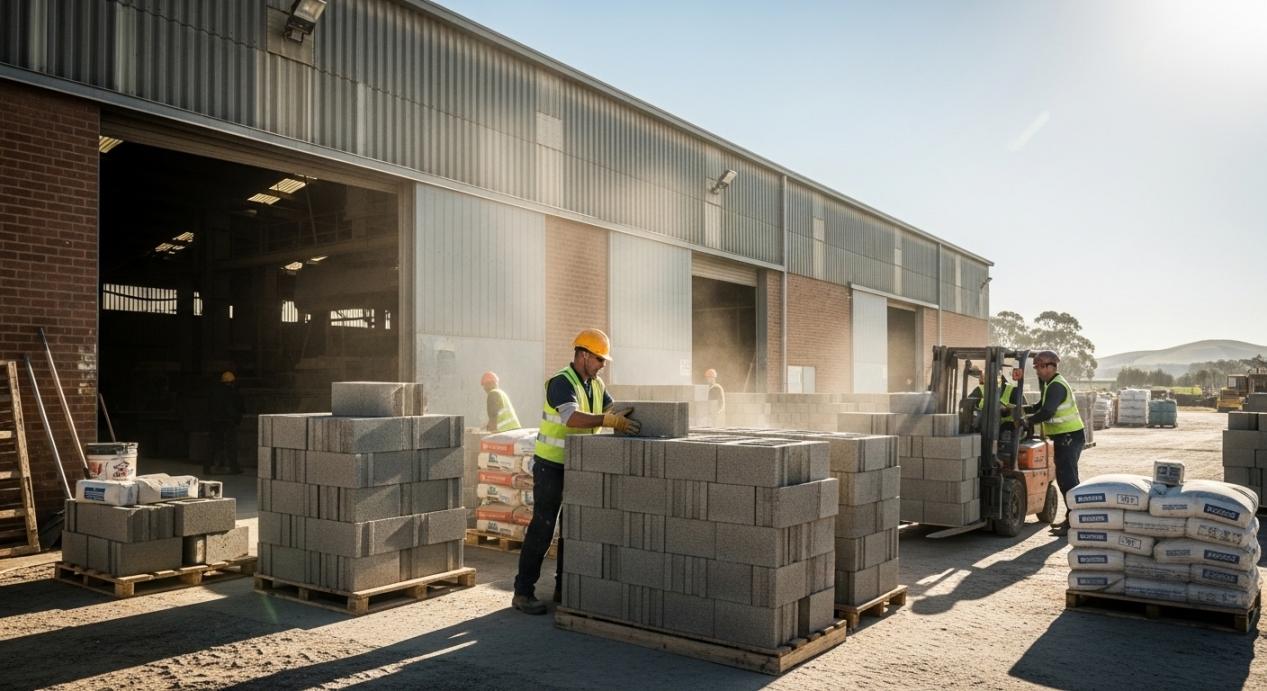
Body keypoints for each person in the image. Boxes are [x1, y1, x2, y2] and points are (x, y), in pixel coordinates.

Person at [511, 328, 640, 615]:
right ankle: (523, 592)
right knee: (543, 527)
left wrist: (633, 414)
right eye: (599, 359)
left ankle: (564, 587)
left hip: (578, 466)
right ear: (583, 355)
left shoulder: (595, 384)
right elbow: (571, 418)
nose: (603, 365)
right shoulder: (561, 382)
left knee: (573, 528)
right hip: (551, 465)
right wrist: (608, 421)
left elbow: (613, 409)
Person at [1022, 351, 1084, 535]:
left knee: (1068, 481)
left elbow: (1047, 411)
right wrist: (1021, 409)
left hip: (1069, 437)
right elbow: (1040, 406)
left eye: (1040, 367)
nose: (1037, 371)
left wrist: (1027, 421)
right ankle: (1072, 518)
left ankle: (1074, 521)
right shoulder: (1050, 384)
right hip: (1064, 437)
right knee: (1066, 479)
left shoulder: (1056, 386)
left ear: (1051, 366)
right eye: (1036, 367)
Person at [207, 370, 245, 476]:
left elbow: (210, 406)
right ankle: (234, 468)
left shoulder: (215, 392)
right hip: (229, 422)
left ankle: (207, 467)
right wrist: (236, 419)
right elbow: (239, 407)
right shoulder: (233, 393)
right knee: (231, 446)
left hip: (216, 422)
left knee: (213, 445)